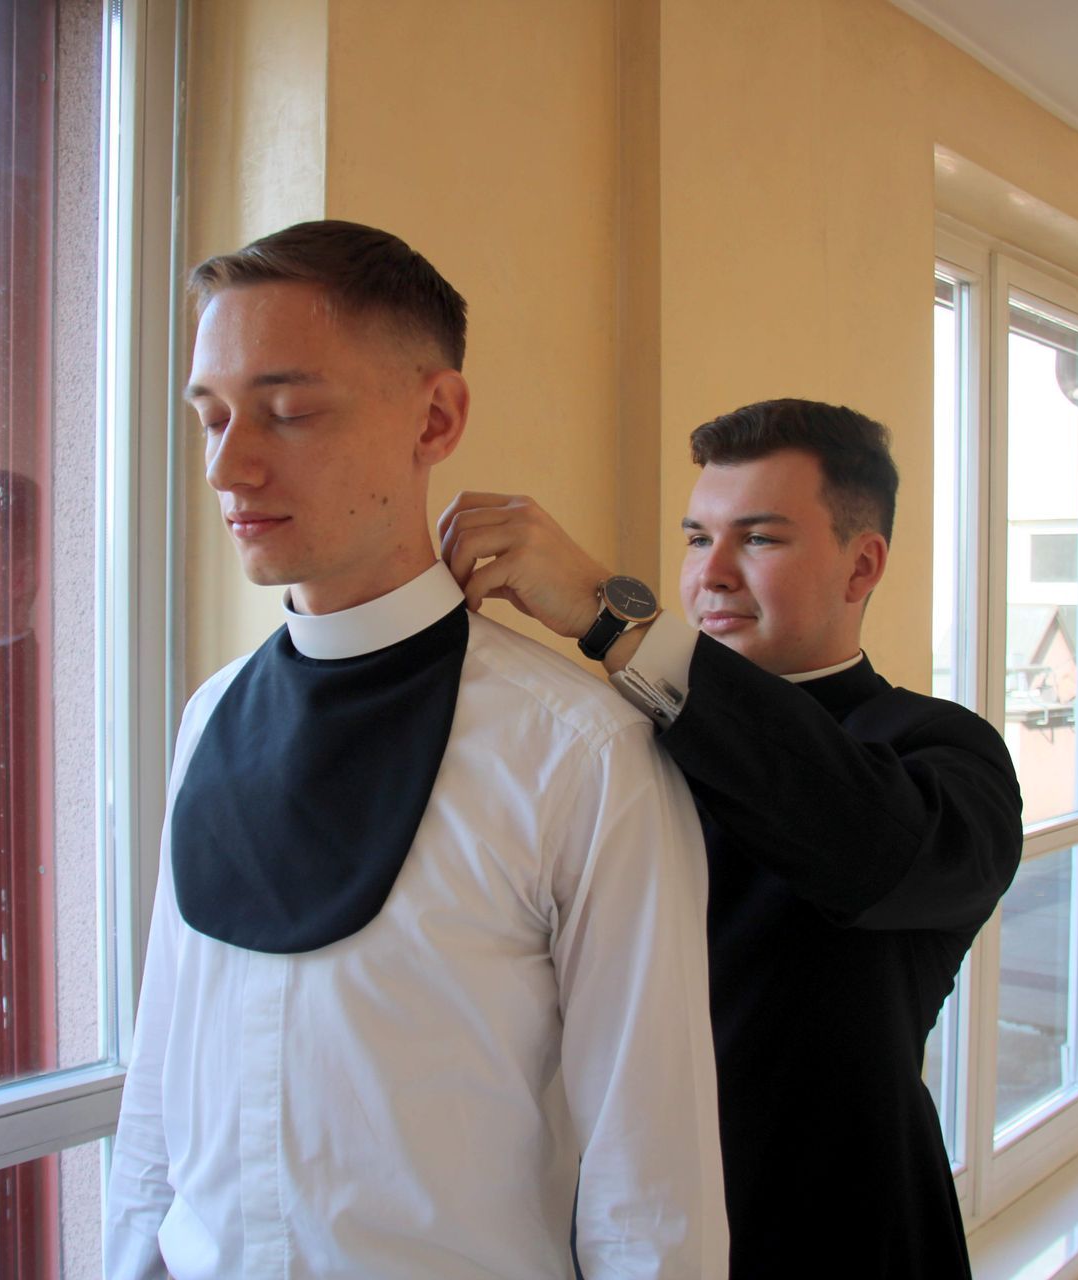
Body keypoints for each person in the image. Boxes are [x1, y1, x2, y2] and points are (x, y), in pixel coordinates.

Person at [103, 221, 727, 1280]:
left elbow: (650, 1192)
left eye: (288, 410)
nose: (226, 465)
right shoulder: (208, 719)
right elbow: (162, 1087)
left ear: (435, 418)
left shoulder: (579, 758)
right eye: (210, 415)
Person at [438, 398, 1023, 1277]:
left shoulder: (941, 754)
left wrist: (613, 615)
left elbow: (865, 848)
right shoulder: (618, 744)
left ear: (862, 565)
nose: (710, 574)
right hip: (608, 1234)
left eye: (759, 539)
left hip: (841, 1241)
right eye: (696, 538)